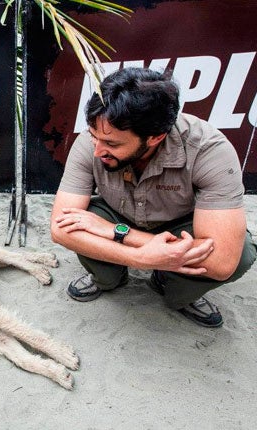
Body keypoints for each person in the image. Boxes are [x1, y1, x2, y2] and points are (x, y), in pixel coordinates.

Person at [50, 67, 256, 328]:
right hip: (117, 212)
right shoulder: (94, 142)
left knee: (241, 256)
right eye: (94, 136)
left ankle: (167, 282)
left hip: (178, 227)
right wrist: (141, 258)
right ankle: (108, 279)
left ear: (155, 137)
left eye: (112, 144)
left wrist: (120, 234)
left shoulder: (210, 151)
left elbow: (223, 262)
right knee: (78, 223)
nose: (97, 150)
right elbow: (59, 229)